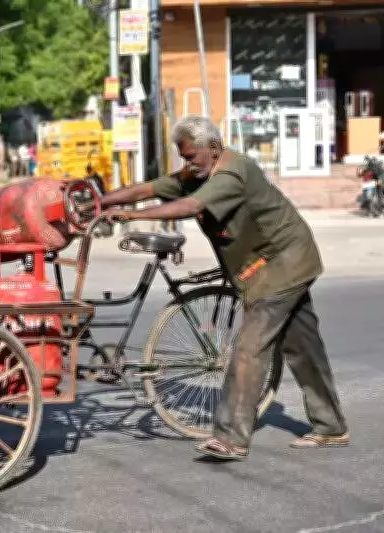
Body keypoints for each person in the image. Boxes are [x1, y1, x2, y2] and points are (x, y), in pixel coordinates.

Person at [99, 115, 349, 461]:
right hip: (272, 264)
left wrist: (131, 217)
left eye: (191, 156)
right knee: (303, 345)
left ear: (213, 149)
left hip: (282, 262)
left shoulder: (233, 173)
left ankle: (231, 437)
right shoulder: (200, 171)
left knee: (248, 348)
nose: (187, 164)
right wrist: (101, 203)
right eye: (183, 157)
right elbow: (150, 188)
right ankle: (331, 427)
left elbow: (191, 206)